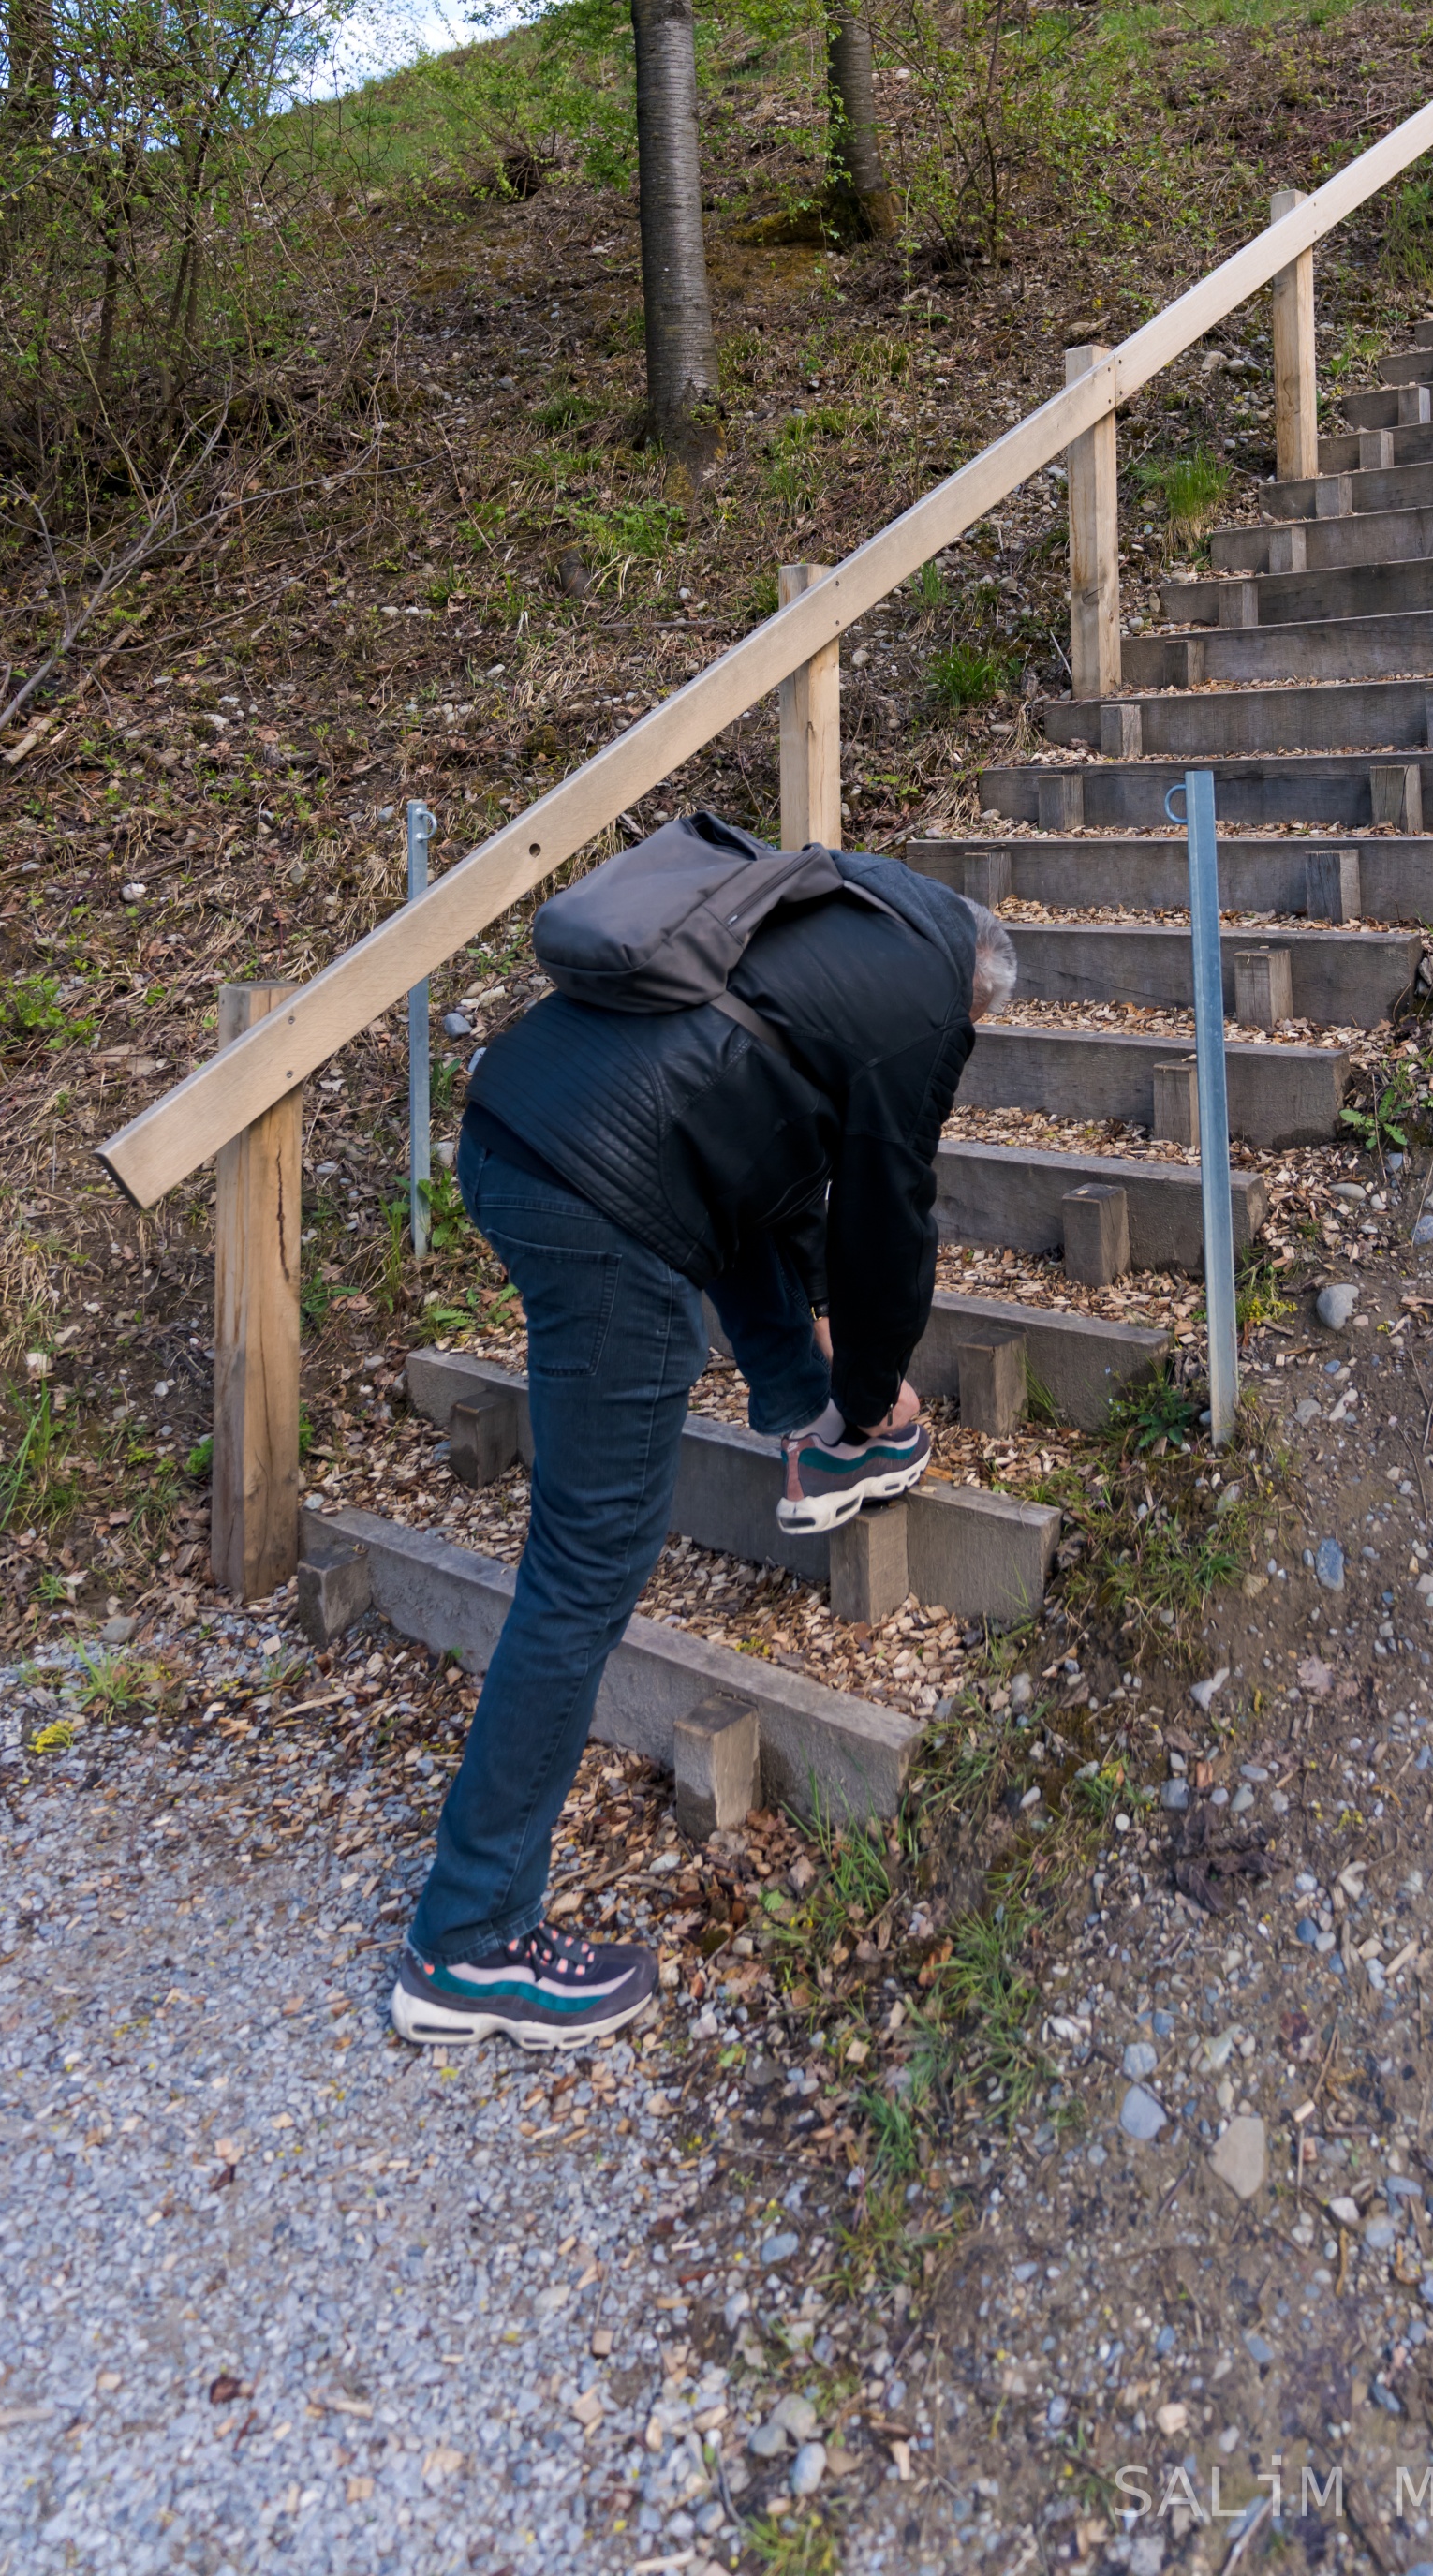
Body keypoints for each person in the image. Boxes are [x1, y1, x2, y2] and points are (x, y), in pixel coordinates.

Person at [390, 844, 1013, 2050]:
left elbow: (775, 1175)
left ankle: (820, 1432)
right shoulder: (934, 1007)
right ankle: (467, 1940)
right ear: (981, 995)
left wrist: (827, 1394)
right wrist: (879, 1381)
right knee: (588, 1565)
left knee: (741, 1220)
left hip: (522, 1118)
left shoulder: (851, 916)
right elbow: (890, 1225)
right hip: (600, 1190)